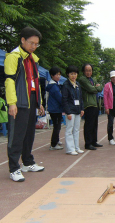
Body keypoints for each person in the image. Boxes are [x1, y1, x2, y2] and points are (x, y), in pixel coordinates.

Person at [5, 27, 45, 182]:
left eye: (36, 44)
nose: (34, 46)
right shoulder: (14, 56)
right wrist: (12, 103)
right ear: (22, 40)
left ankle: (27, 162)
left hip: (32, 99)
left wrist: (39, 102)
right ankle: (14, 168)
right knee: (17, 135)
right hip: (20, 101)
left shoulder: (33, 58)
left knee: (29, 134)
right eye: (31, 43)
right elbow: (9, 80)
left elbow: (36, 82)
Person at [78, 63, 102, 150]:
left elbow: (100, 87)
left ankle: (94, 141)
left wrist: (96, 88)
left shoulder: (93, 79)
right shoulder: (82, 79)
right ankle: (88, 143)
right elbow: (91, 89)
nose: (88, 72)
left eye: (90, 70)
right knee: (89, 125)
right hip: (88, 105)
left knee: (95, 124)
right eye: (86, 70)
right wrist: (96, 88)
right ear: (83, 71)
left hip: (95, 104)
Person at [61, 65, 84, 155]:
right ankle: (70, 149)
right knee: (69, 129)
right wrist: (68, 112)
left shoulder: (77, 85)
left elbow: (80, 98)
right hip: (70, 110)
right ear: (68, 74)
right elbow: (64, 99)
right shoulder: (66, 85)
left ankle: (76, 147)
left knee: (76, 129)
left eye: (75, 74)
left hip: (78, 110)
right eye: (71, 74)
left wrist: (82, 108)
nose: (73, 76)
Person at [46, 66, 63, 150]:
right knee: (57, 126)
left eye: (59, 75)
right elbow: (60, 98)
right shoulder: (54, 87)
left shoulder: (56, 85)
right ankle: (53, 144)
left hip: (56, 109)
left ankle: (57, 140)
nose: (58, 76)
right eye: (56, 75)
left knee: (58, 126)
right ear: (52, 76)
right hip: (55, 109)